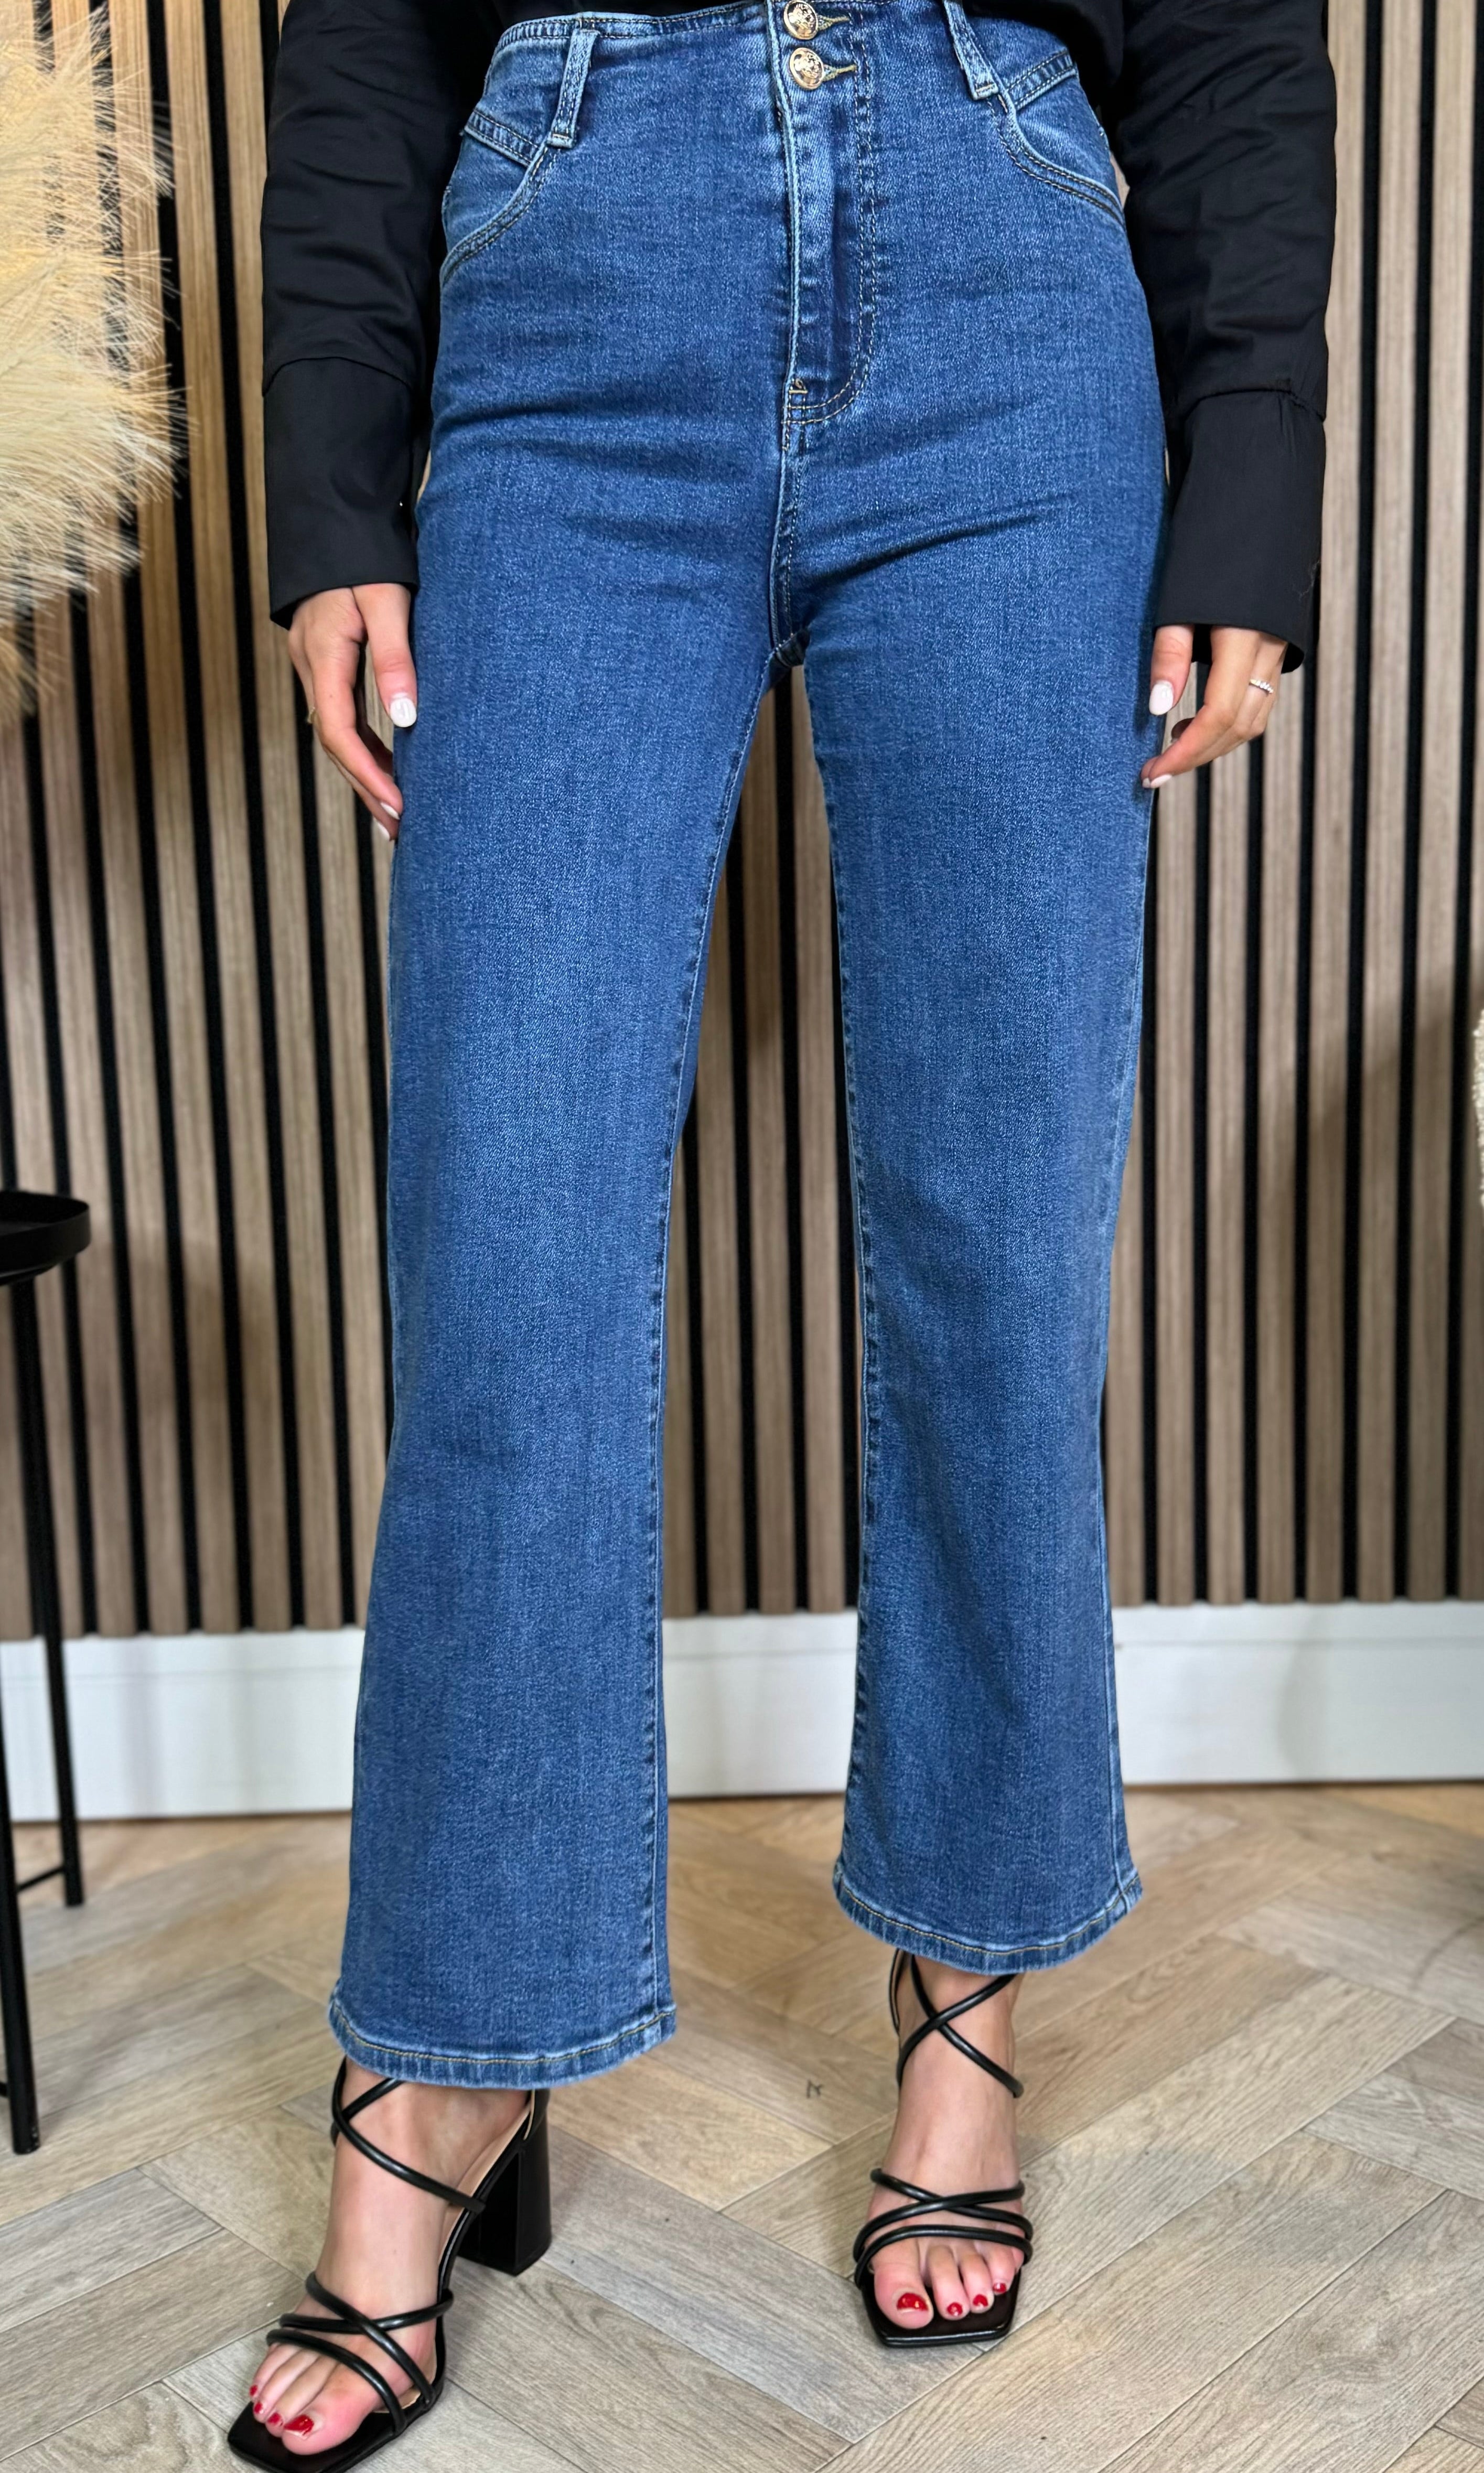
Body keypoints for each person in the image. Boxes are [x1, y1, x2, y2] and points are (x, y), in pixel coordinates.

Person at [233, 0, 1335, 2459]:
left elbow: (1243, 43)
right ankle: (448, 2058)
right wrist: (332, 493)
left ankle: (967, 1999)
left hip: (1010, 289)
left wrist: (1251, 469)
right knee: (503, 1273)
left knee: (996, 1255)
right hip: (569, 274)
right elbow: (356, 49)